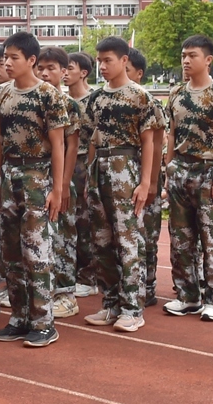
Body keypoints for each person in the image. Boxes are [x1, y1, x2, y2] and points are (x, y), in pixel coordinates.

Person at [0, 32, 68, 345]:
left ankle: (43, 321)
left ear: (31, 60)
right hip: (9, 176)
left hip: (37, 175)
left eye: (14, 57)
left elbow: (58, 144)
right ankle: (19, 317)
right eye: (5, 57)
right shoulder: (1, 93)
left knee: (37, 252)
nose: (7, 63)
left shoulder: (48, 95)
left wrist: (57, 188)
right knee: (10, 252)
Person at [81, 37, 161, 332]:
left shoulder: (140, 96)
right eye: (99, 61)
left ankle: (132, 308)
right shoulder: (96, 99)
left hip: (126, 167)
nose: (102, 66)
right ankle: (111, 303)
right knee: (101, 241)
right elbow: (91, 139)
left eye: (108, 60)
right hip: (99, 169)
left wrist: (146, 182)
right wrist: (89, 177)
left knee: (128, 241)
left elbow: (149, 141)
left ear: (124, 60)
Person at [163, 35, 213, 322]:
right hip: (180, 170)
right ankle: (188, 296)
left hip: (209, 172)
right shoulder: (176, 93)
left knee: (212, 238)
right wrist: (169, 169)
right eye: (183, 55)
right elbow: (172, 133)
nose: (185, 60)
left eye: (192, 55)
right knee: (181, 239)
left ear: (208, 60)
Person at [35, 47, 82, 319]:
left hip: (59, 180)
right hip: (36, 179)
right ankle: (45, 291)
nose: (44, 73)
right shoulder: (33, 99)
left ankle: (66, 294)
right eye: (40, 68)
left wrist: (63, 184)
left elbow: (71, 146)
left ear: (64, 72)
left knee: (63, 236)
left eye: (51, 68)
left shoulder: (68, 104)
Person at [125, 48, 166, 307]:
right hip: (124, 178)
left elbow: (158, 143)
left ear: (139, 74)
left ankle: (148, 285)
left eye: (127, 70)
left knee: (147, 233)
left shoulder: (148, 102)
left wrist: (150, 181)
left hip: (146, 176)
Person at [65, 52, 97, 298]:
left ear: (83, 73)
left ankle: (88, 275)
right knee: (67, 220)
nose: (65, 73)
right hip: (66, 162)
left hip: (85, 163)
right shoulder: (62, 101)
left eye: (70, 68)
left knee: (85, 220)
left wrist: (91, 171)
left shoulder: (93, 101)